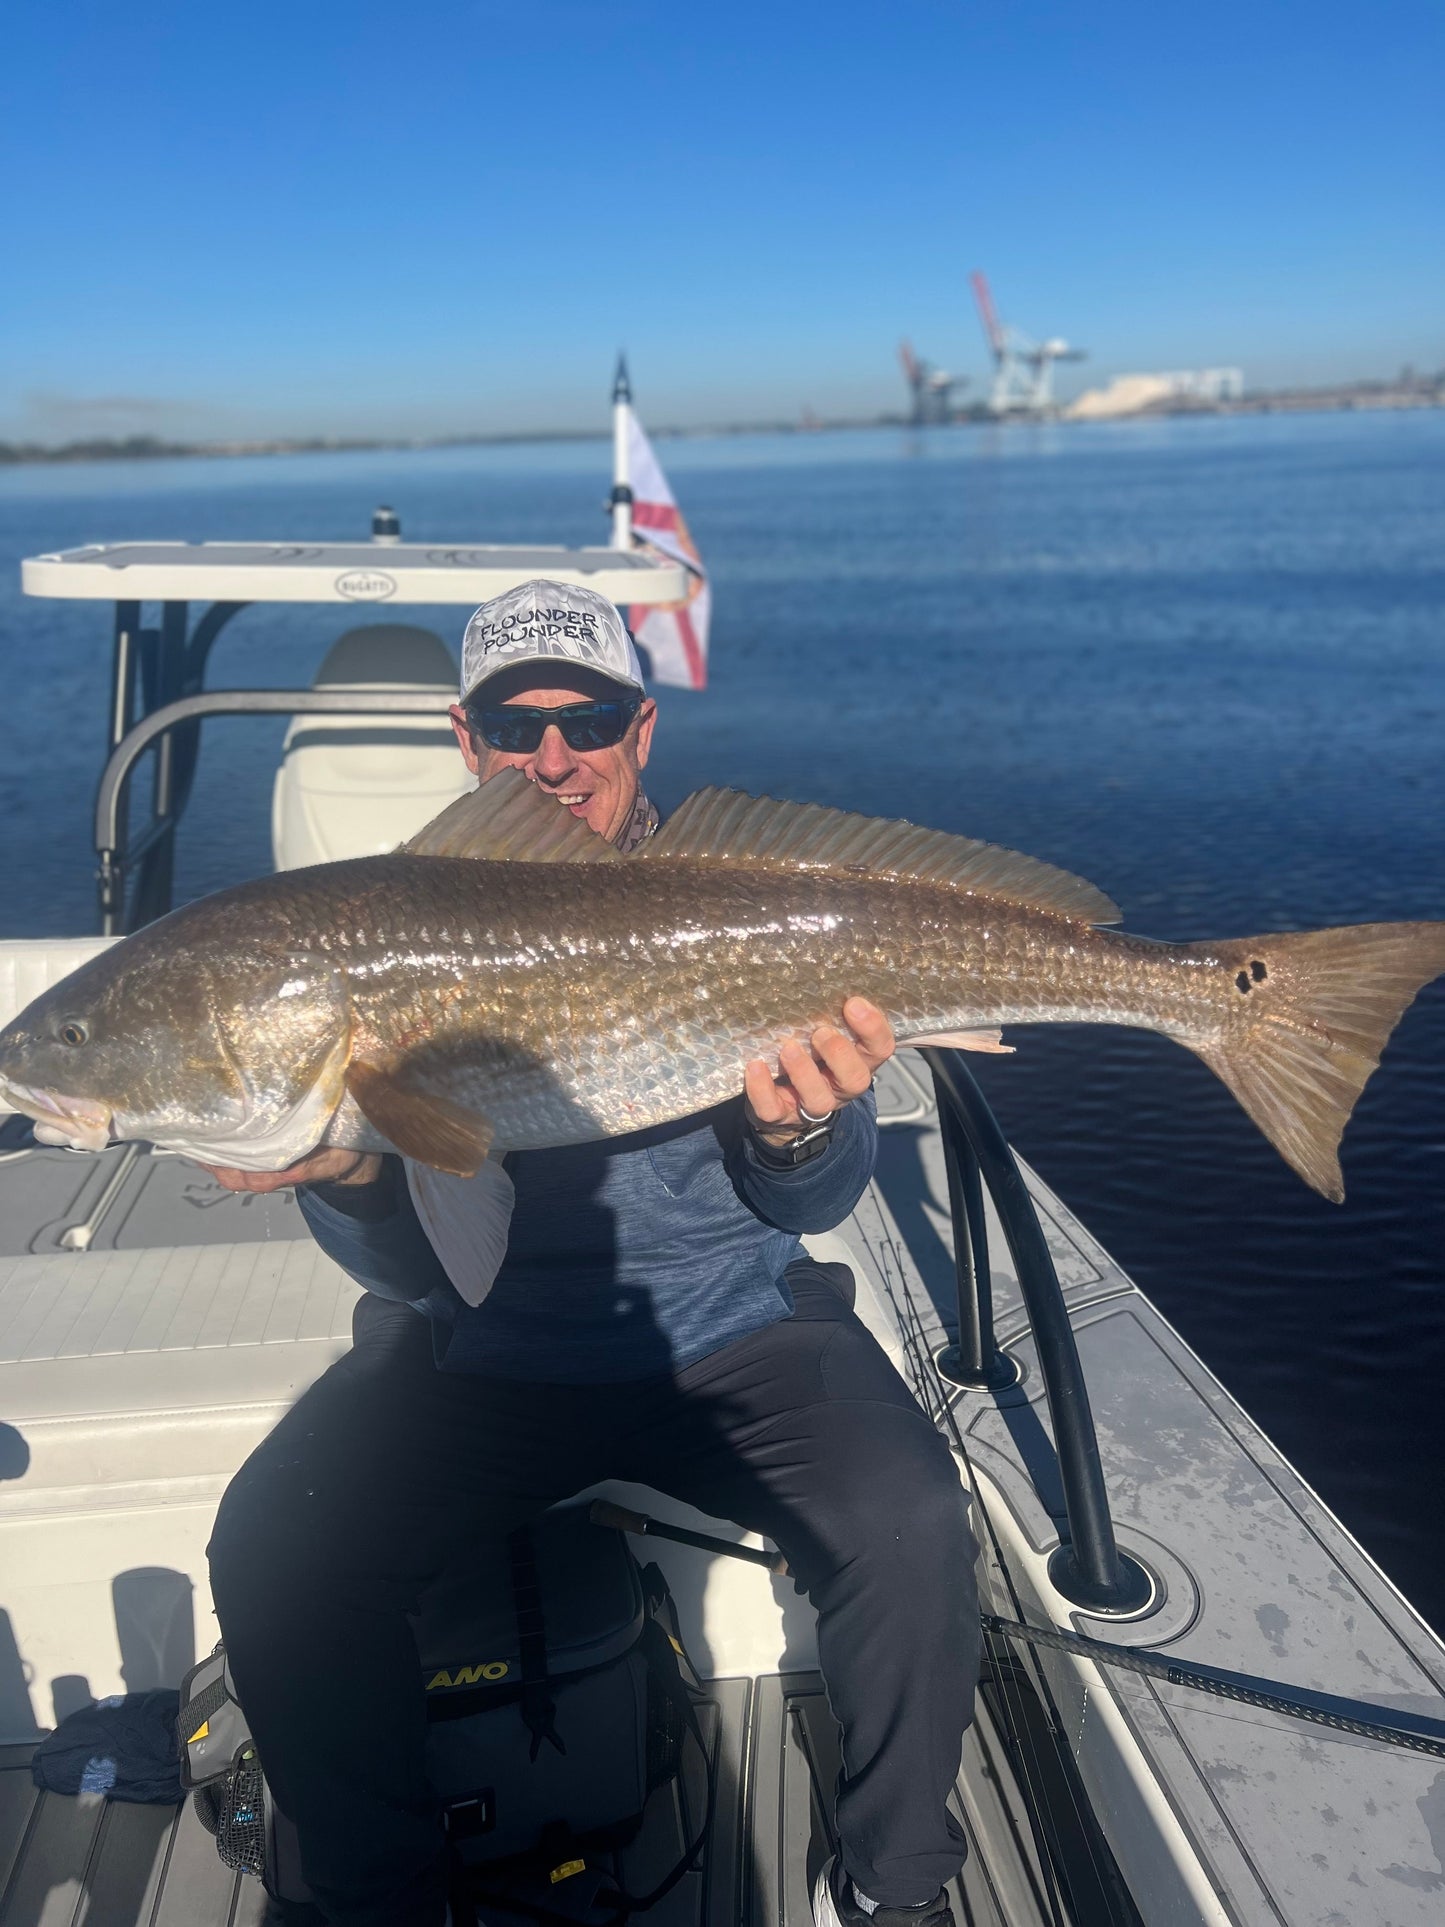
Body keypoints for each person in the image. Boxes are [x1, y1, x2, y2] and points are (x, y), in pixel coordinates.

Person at [204, 580, 979, 1927]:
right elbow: (412, 1271)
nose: (552, 757)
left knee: (912, 1522)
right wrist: (340, 1175)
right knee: (275, 1550)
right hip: (485, 1356)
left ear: (641, 727)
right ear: (467, 738)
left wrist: (799, 1134)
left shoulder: (744, 903)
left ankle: (895, 1889)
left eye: (588, 719)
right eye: (516, 725)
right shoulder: (387, 931)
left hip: (737, 1336)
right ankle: (376, 1896)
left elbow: (806, 1210)